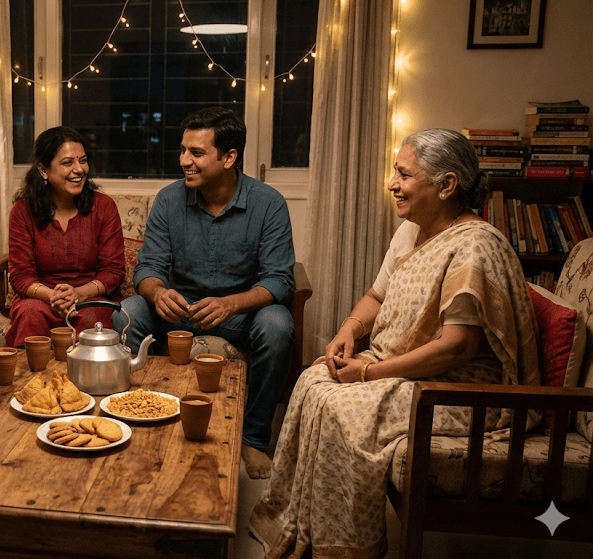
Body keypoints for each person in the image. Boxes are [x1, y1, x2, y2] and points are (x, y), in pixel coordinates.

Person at [248, 129, 541, 558]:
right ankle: (301, 526)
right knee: (312, 380)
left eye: (404, 175)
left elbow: (456, 348)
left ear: (446, 185)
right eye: (394, 172)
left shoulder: (475, 245)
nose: (392, 184)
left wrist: (368, 372)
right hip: (408, 367)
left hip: (459, 386)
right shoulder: (411, 232)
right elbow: (376, 297)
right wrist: (348, 330)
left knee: (340, 407)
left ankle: (346, 547)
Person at [114, 107, 296, 480]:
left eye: (196, 153)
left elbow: (280, 279)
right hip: (178, 312)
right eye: (183, 151)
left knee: (278, 324)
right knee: (129, 310)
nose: (184, 161)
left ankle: (253, 439)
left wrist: (233, 303)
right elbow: (146, 268)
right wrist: (157, 291)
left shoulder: (269, 203)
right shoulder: (168, 200)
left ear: (229, 158)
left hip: (238, 315)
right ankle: (136, 410)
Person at [6, 126, 126, 346]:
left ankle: (87, 380)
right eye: (68, 162)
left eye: (83, 160)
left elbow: (113, 271)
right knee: (30, 315)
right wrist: (52, 296)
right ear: (43, 170)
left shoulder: (104, 207)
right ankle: (31, 381)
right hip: (41, 299)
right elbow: (20, 274)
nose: (79, 169)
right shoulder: (23, 211)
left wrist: (78, 294)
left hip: (90, 298)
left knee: (94, 320)